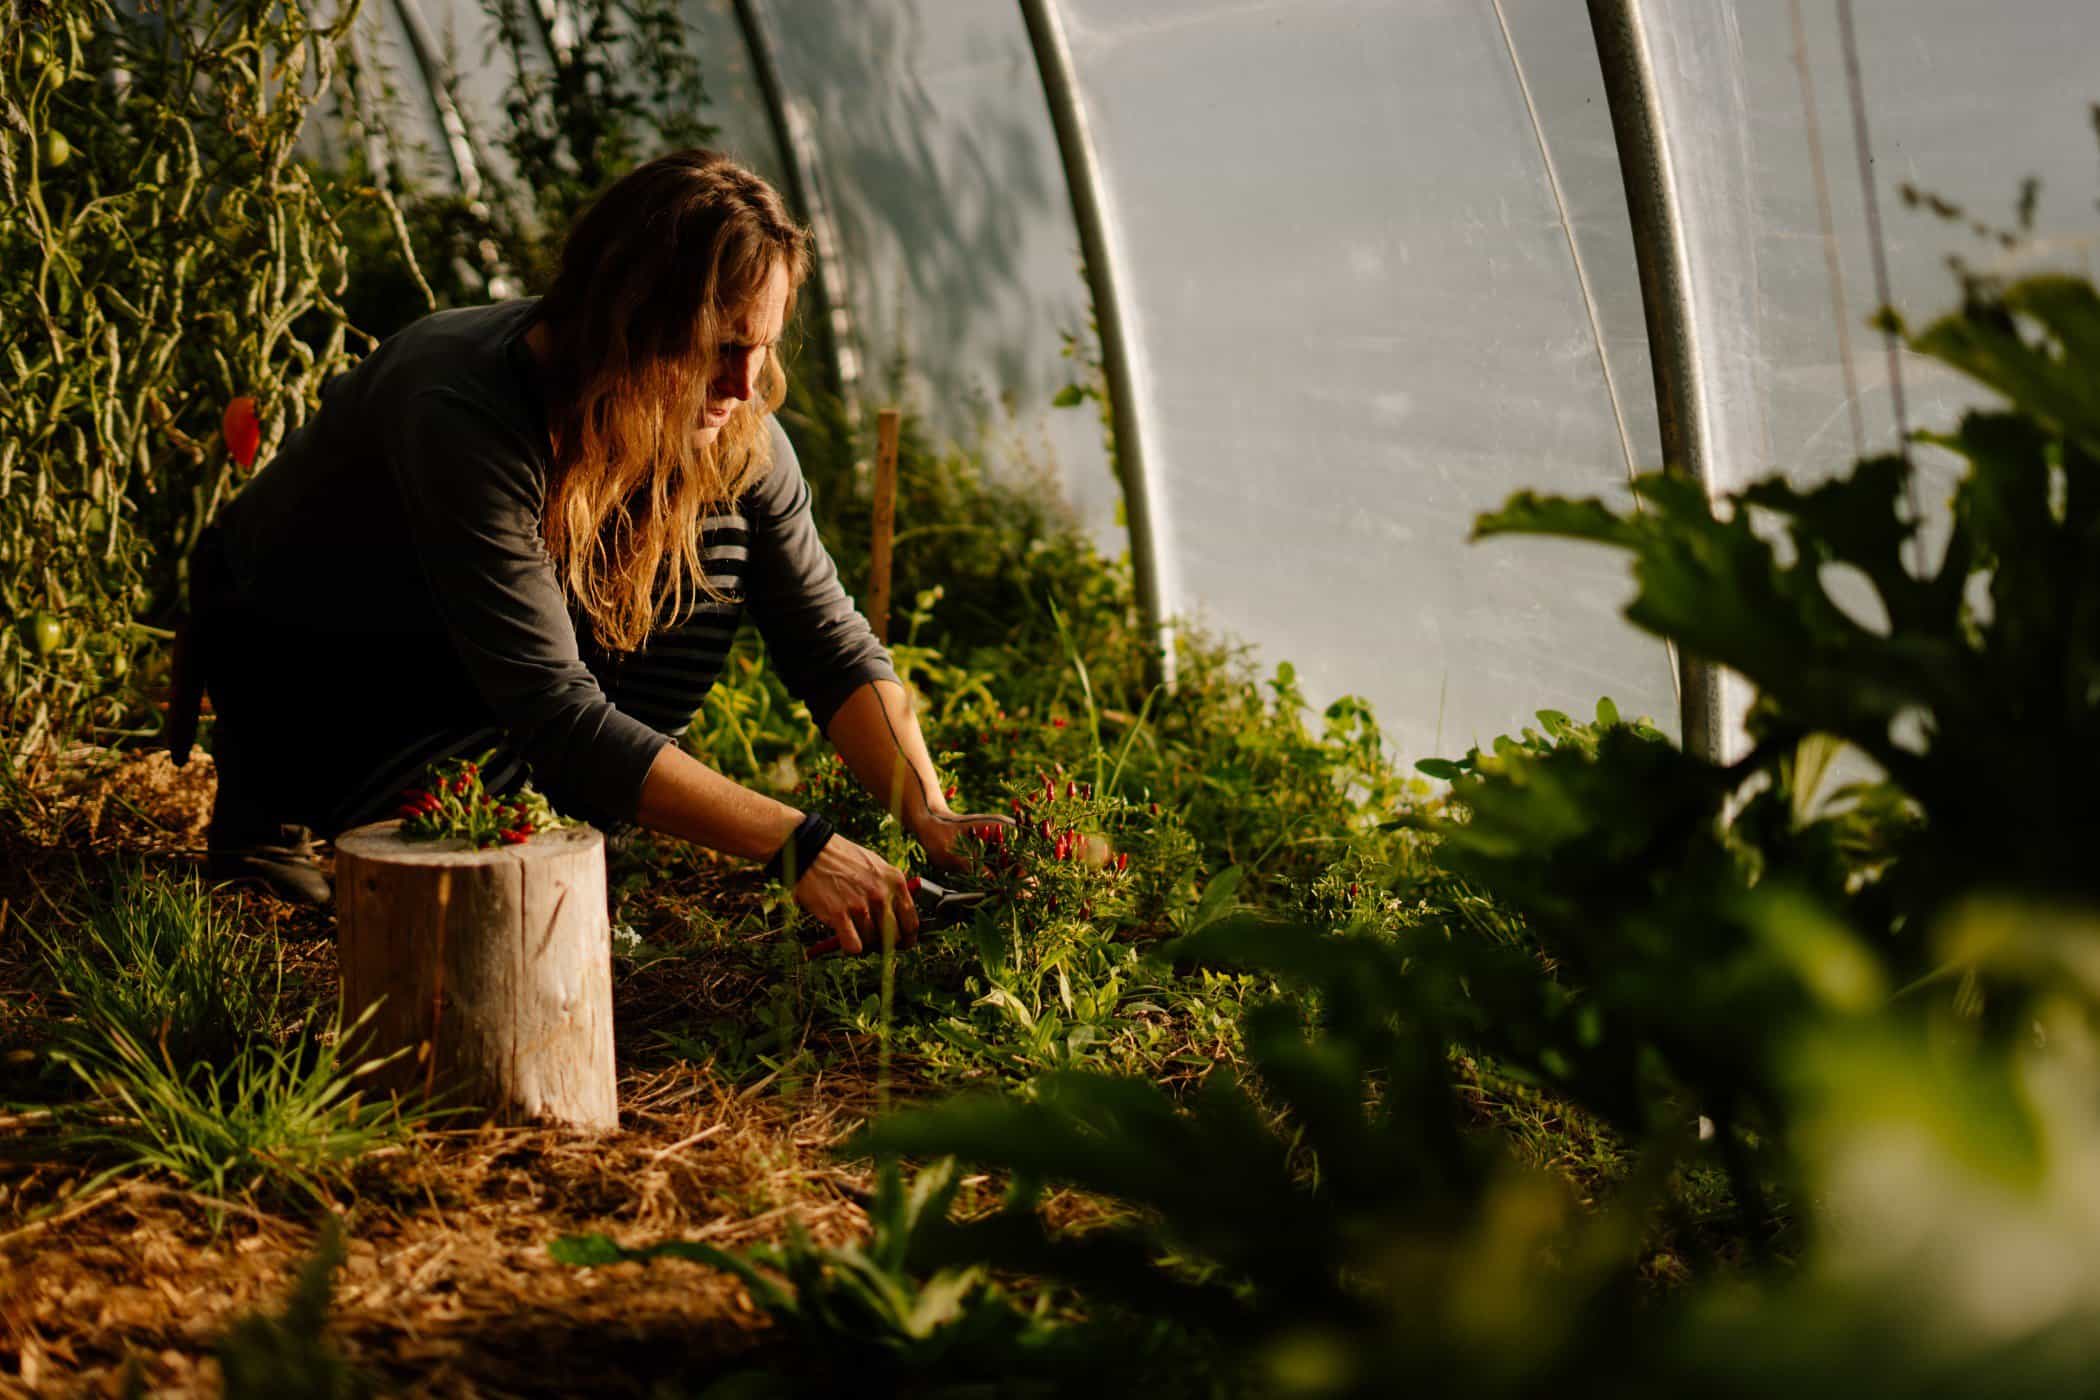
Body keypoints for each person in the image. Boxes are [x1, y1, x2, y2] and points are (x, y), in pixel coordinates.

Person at [176, 149, 1006, 956]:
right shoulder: (463, 405)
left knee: (715, 528)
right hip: (325, 668)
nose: (745, 385)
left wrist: (928, 810)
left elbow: (828, 644)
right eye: (720, 346)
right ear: (628, 316)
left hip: (494, 683)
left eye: (764, 346)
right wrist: (798, 842)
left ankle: (565, 811)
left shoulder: (734, 429)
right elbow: (549, 705)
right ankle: (268, 808)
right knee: (480, 875)